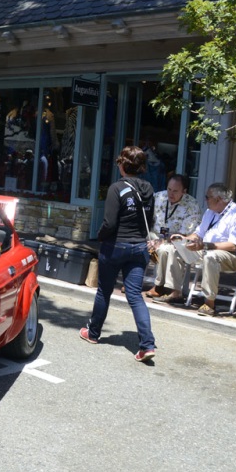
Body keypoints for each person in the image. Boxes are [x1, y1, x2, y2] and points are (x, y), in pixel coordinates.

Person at [80, 145, 157, 362]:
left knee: (104, 291)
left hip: (116, 246)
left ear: (122, 165)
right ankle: (147, 344)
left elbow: (109, 223)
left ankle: (93, 333)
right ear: (140, 166)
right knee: (134, 295)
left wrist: (100, 235)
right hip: (139, 247)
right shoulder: (149, 189)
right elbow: (149, 220)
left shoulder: (116, 188)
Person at [170, 183, 236, 317]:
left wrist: (206, 246)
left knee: (211, 256)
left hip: (235, 257)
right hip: (207, 249)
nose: (205, 200)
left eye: (207, 197)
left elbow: (234, 246)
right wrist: (184, 239)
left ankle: (209, 302)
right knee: (177, 248)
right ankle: (175, 292)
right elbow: (199, 234)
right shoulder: (210, 212)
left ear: (219, 199)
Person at [144, 174, 201, 302]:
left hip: (176, 240)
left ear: (184, 191)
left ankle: (160, 286)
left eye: (175, 191)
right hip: (155, 235)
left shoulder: (191, 205)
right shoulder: (158, 197)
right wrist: (152, 240)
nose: (171, 193)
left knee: (166, 249)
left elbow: (184, 235)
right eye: (169, 189)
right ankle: (161, 287)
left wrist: (161, 241)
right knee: (140, 240)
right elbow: (147, 221)